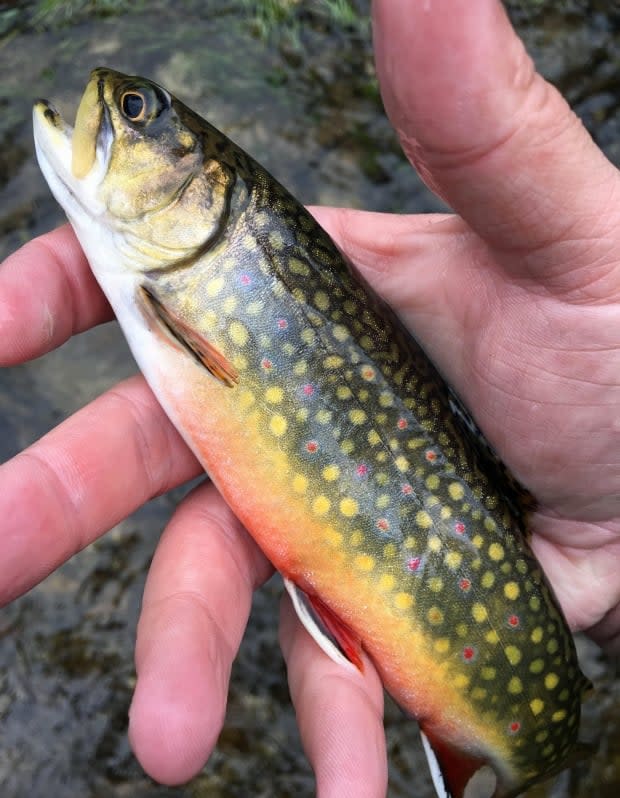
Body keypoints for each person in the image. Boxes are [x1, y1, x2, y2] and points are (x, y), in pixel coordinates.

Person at [1, 0, 618, 795]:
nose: (113, 109)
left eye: (133, 112)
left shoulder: (188, 282)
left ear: (210, 189)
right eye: (131, 109)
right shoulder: (198, 270)